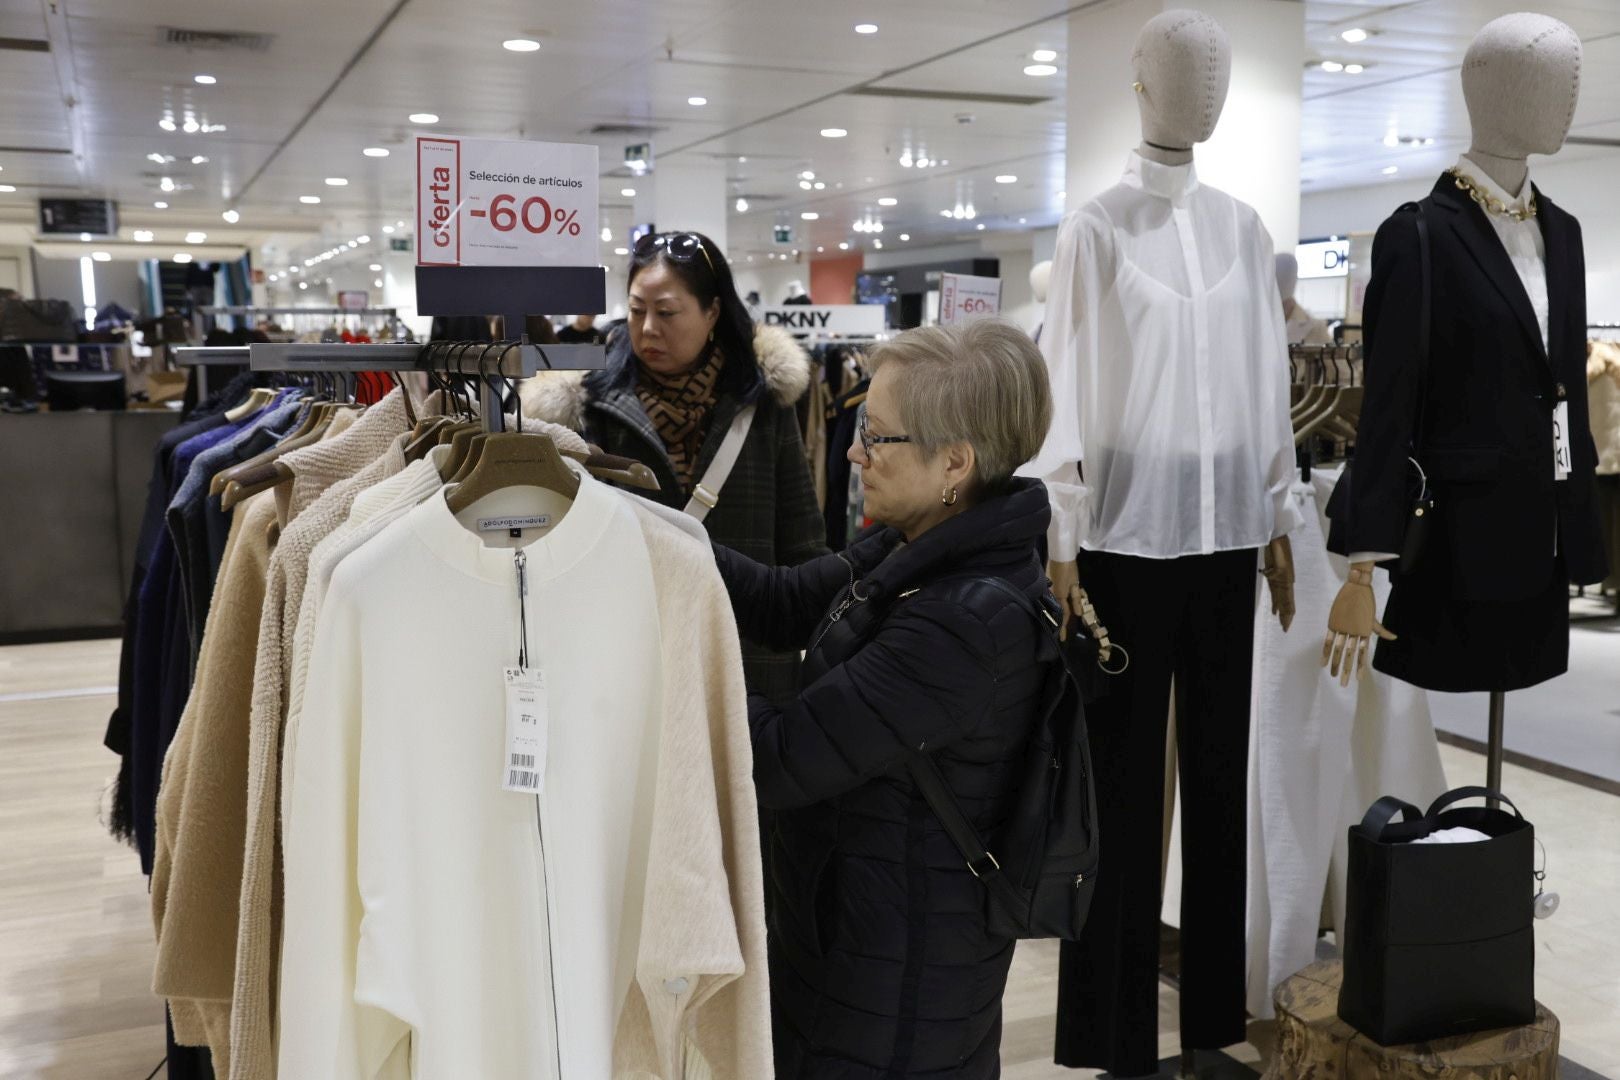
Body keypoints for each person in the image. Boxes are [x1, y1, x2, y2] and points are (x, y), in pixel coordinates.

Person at [711, 319, 1057, 1079]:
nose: (854, 451)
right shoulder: (922, 542)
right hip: (856, 937)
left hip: (897, 983)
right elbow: (781, 601)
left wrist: (669, 683)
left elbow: (778, 757)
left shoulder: (963, 620)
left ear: (954, 463)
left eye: (878, 436)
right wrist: (646, 527)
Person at [521, 230, 827, 703]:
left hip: (745, 656)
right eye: (637, 309)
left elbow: (801, 536)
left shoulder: (762, 402)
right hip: (626, 658)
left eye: (666, 312)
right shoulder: (589, 405)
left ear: (712, 312)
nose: (646, 329)